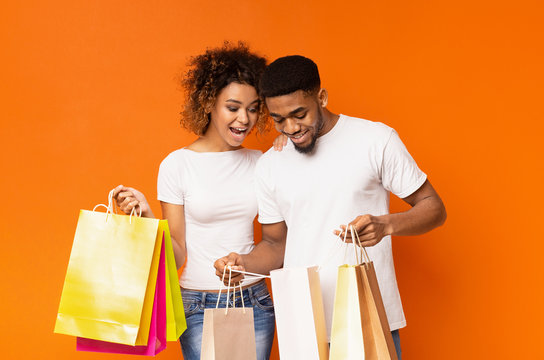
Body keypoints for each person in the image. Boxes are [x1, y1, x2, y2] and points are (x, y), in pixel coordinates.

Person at [214, 55, 447, 359]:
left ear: (321, 97)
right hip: (302, 322)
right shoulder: (271, 164)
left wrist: (387, 225)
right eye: (279, 119)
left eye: (300, 114)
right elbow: (274, 244)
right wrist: (242, 265)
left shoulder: (375, 140)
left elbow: (434, 208)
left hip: (368, 317)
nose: (291, 127)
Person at [113, 42, 277, 360]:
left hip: (253, 299)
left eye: (254, 108)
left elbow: (277, 239)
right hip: (199, 304)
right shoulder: (177, 164)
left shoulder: (263, 162)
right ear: (208, 103)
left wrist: (290, 141)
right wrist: (146, 215)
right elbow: (175, 256)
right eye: (233, 107)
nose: (245, 118)